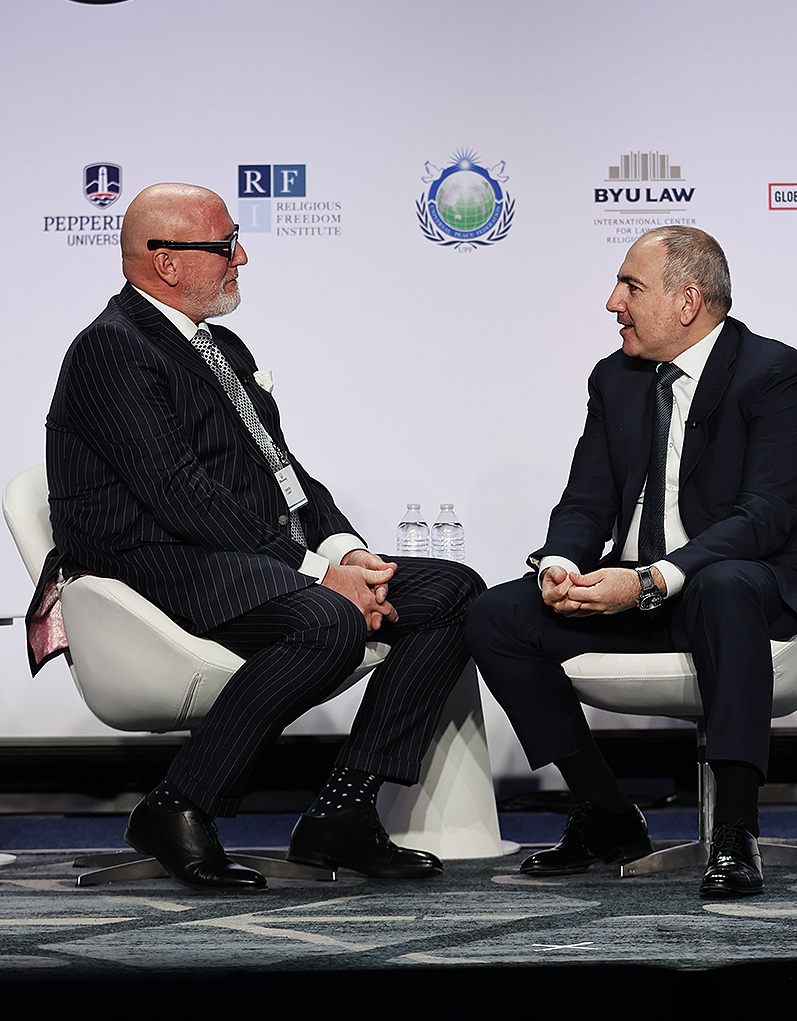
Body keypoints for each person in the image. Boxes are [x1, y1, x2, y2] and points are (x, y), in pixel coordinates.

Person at [29, 182, 484, 892]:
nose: (241, 256)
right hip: (146, 567)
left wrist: (346, 552)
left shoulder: (219, 346)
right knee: (327, 620)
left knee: (453, 591)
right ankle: (178, 804)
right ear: (165, 261)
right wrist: (319, 575)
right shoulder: (110, 349)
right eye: (225, 245)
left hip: (228, 554)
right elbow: (179, 493)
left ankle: (343, 810)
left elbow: (280, 469)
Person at [466, 226, 797, 898]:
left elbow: (765, 516)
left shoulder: (773, 373)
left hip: (742, 585)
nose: (613, 303)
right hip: (640, 588)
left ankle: (736, 831)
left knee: (723, 585)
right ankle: (603, 811)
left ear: (687, 301)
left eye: (630, 287)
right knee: (497, 614)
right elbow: (587, 498)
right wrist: (560, 564)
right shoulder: (616, 378)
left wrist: (649, 581)